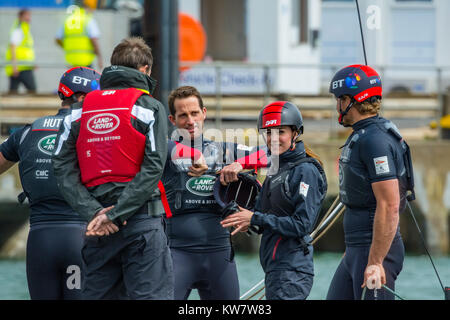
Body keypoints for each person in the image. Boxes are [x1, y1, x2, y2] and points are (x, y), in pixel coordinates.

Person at [52, 37, 173, 300]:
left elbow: (61, 167)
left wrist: (95, 212)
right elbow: (153, 168)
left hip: (98, 228)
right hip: (141, 223)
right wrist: (116, 214)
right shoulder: (149, 107)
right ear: (144, 70)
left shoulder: (79, 110)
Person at [0, 66, 100, 299]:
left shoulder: (27, 132)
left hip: (39, 241)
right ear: (82, 97)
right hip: (81, 237)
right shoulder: (94, 131)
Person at [163, 85, 269, 300]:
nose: (190, 121)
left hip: (219, 255)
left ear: (204, 113)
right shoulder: (163, 151)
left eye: (194, 113)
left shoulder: (223, 150)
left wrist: (239, 164)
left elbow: (271, 153)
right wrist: (191, 154)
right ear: (172, 120)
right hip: (176, 253)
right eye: (183, 115)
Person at [221, 101, 327, 300]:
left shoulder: (305, 171)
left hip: (292, 273)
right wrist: (245, 220)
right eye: (269, 133)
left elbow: (302, 224)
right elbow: (263, 218)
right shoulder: (276, 168)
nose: (273, 138)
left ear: (296, 133)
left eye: (281, 132)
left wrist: (255, 219)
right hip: (275, 270)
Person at [325, 64, 414, 300]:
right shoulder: (363, 134)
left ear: (352, 100)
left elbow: (389, 204)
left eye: (339, 99)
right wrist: (353, 249)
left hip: (375, 252)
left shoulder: (375, 140)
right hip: (357, 248)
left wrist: (375, 262)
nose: (337, 106)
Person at [55, 1, 103, 70]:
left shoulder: (68, 20)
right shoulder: (88, 20)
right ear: (87, 7)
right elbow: (94, 40)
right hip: (86, 62)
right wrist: (99, 58)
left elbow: (57, 39)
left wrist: (68, 47)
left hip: (71, 63)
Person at [5, 8, 36, 94]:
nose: (29, 18)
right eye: (27, 15)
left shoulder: (24, 29)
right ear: (20, 17)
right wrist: (15, 66)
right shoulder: (19, 29)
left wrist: (32, 64)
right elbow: (13, 47)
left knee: (13, 92)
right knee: (32, 91)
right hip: (21, 67)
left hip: (23, 66)